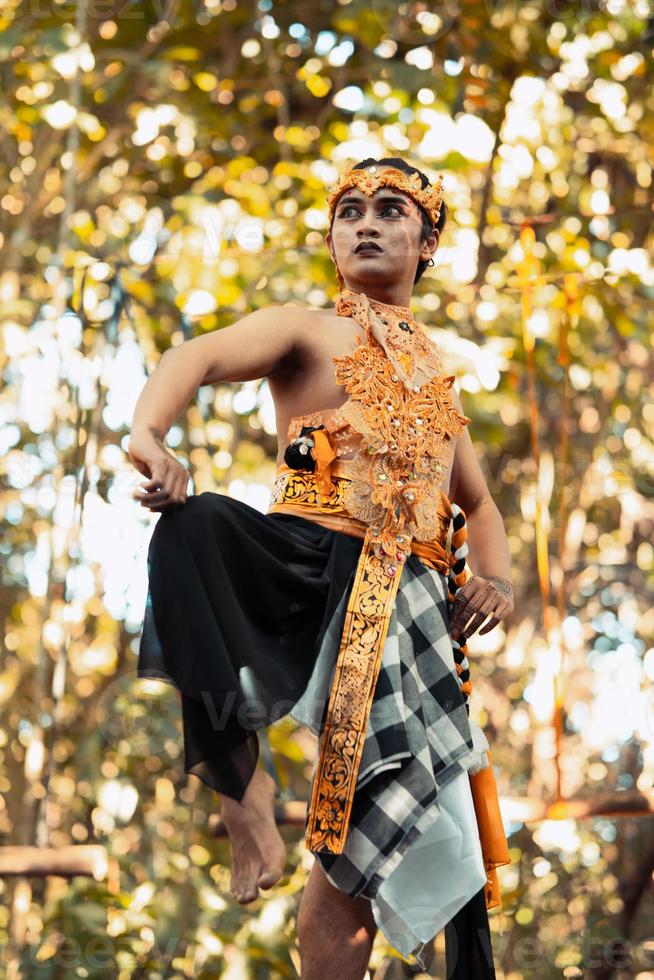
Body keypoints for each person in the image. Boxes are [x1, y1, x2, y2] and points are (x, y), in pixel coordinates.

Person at [129, 156, 514, 978]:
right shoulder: (304, 326)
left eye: (389, 210)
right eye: (348, 212)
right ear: (332, 241)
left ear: (427, 243)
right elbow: (191, 358)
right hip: (305, 564)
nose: (366, 223)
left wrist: (496, 579)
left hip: (405, 602)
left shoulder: (439, 386)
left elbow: (479, 506)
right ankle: (244, 799)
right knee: (189, 527)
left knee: (362, 833)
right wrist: (149, 437)